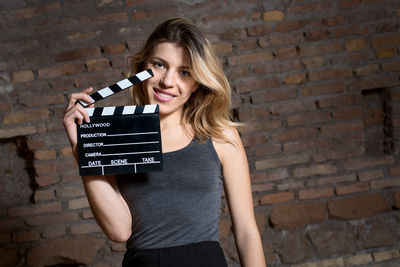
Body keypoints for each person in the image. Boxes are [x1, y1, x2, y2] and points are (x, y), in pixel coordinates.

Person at [63, 17, 266, 267]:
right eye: (159, 65)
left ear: (196, 83)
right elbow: (119, 231)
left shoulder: (220, 135)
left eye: (184, 72)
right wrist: (83, 148)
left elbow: (246, 231)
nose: (168, 81)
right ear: (141, 69)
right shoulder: (115, 136)